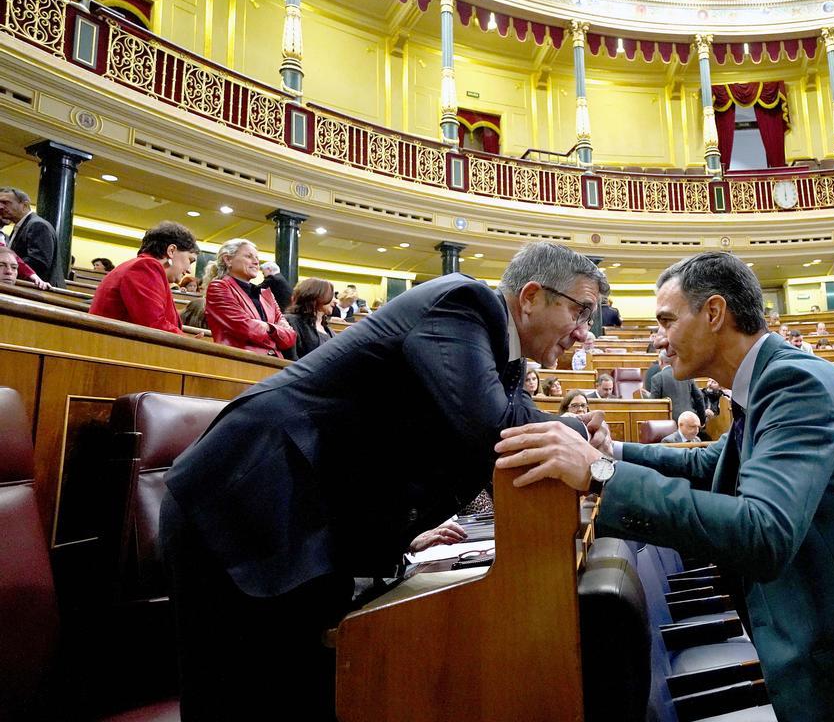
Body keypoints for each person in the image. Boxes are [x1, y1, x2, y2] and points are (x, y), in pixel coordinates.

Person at [494, 251, 834, 721]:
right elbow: (713, 464)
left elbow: (764, 533)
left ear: (715, 314)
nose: (658, 337)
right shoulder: (767, 382)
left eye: (667, 321)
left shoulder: (795, 385)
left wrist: (599, 475)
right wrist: (615, 453)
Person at [161, 242, 605, 719]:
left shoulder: (505, 355)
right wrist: (577, 433)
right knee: (237, 697)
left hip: (298, 519)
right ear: (532, 295)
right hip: (243, 501)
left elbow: (470, 428)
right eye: (580, 312)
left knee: (298, 693)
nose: (584, 334)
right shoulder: (464, 304)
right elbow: (489, 429)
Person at [89, 222, 198, 334]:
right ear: (171, 251)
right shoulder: (145, 267)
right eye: (190, 260)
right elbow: (154, 326)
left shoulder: (140, 265)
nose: (189, 270)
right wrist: (188, 343)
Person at [203, 239, 296, 357]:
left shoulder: (267, 294)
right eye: (249, 256)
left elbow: (290, 337)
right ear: (228, 260)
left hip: (274, 363)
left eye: (257, 258)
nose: (256, 262)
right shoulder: (219, 287)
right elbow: (246, 328)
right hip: (239, 362)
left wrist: (267, 327)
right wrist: (275, 330)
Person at [0, 187, 63, 286]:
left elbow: (39, 262)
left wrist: (8, 266)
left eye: (5, 202)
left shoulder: (37, 225)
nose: (1, 207)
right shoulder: (21, 226)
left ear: (24, 205)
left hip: (42, 292)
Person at [283, 278, 335, 360]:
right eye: (331, 296)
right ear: (316, 295)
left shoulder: (330, 331)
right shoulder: (291, 322)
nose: (335, 301)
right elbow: (290, 359)